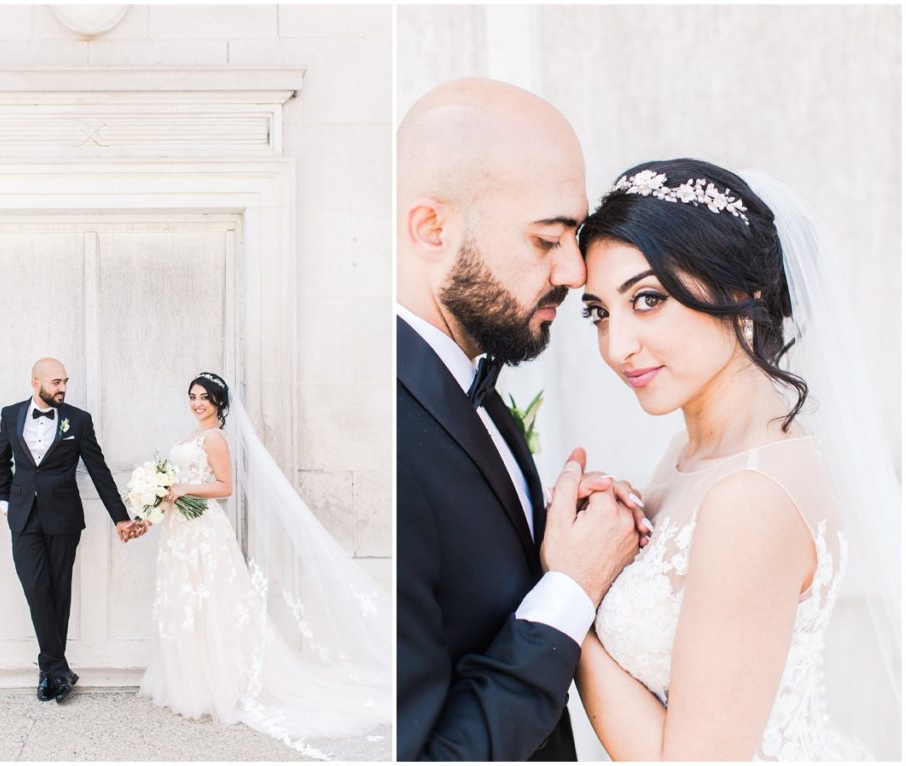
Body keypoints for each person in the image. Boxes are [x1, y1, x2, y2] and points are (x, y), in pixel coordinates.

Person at [574, 159, 901, 759]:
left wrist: (564, 600)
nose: (616, 346)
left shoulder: (751, 494)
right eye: (598, 312)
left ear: (742, 290)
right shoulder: (693, 453)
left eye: (647, 299)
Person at [396, 78, 651, 761]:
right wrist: (571, 589)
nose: (574, 272)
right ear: (431, 229)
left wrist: (560, 541)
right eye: (548, 239)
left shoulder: (465, 380)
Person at [138, 373, 390, 760]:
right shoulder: (188, 438)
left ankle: (221, 685)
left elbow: (224, 487)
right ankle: (190, 682)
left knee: (212, 601)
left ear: (220, 403)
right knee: (185, 604)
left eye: (205, 397)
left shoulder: (215, 439)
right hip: (178, 532)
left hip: (203, 532)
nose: (197, 403)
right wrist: (156, 498)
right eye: (192, 396)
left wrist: (183, 489)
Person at [0, 357, 145, 704]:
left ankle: (51, 673)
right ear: (36, 382)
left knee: (58, 591)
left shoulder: (78, 419)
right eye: (56, 382)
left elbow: (99, 470)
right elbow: (0, 462)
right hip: (23, 517)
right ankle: (57, 668)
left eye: (66, 382)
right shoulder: (10, 414)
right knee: (35, 586)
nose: (62, 388)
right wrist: (4, 502)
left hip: (63, 518)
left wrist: (120, 517)